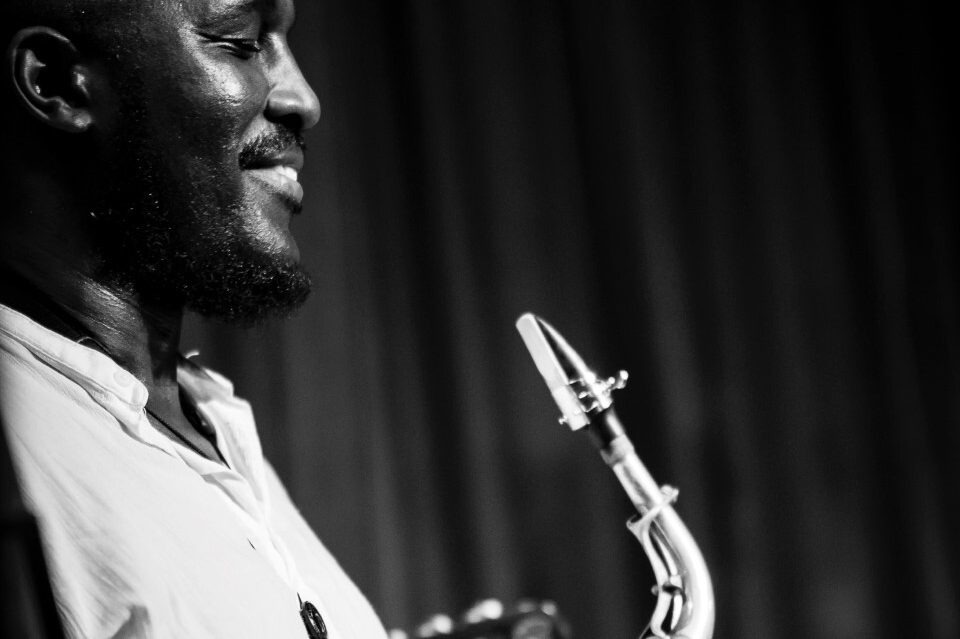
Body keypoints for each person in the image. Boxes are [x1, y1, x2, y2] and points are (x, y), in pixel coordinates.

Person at [0, 0, 389, 636]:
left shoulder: (205, 420)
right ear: (55, 80)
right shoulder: (25, 438)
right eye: (239, 43)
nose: (303, 98)